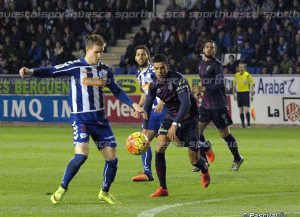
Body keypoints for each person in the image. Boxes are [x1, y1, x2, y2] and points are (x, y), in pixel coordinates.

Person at [19, 34, 143, 205]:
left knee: (112, 159)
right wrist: (31, 71)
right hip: (81, 119)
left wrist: (133, 105)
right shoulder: (75, 66)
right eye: (97, 52)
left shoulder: (105, 70)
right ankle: (62, 187)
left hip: (100, 120)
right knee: (82, 154)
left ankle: (104, 192)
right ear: (88, 50)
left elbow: (117, 90)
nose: (100, 55)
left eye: (102, 52)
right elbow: (52, 71)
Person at [141, 54, 214, 197]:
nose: (160, 71)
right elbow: (147, 107)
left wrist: (176, 124)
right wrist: (144, 127)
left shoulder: (178, 79)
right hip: (170, 117)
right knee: (160, 147)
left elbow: (186, 104)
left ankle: (204, 167)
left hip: (189, 118)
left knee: (194, 160)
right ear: (153, 69)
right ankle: (163, 188)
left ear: (167, 66)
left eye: (162, 67)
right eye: (156, 68)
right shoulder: (154, 85)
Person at [195, 40, 244, 171]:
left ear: (215, 51)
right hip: (205, 105)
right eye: (207, 47)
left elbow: (220, 84)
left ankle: (238, 158)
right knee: (196, 132)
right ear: (203, 49)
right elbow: (203, 82)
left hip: (218, 105)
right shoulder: (201, 64)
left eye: (212, 47)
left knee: (225, 134)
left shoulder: (217, 65)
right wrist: (199, 92)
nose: (210, 49)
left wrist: (203, 89)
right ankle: (203, 161)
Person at [132, 45, 166, 182]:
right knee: (143, 140)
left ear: (148, 56)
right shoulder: (139, 75)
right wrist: (138, 107)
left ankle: (203, 146)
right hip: (151, 112)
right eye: (138, 54)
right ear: (135, 57)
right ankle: (147, 173)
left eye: (143, 54)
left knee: (177, 141)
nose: (140, 57)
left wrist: (161, 102)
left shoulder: (154, 70)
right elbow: (144, 94)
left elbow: (165, 86)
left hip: (163, 110)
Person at [233, 62, 255, 128]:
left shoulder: (247, 75)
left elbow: (252, 83)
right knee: (240, 110)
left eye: (242, 67)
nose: (241, 68)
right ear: (238, 68)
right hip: (239, 93)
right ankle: (243, 125)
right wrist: (234, 94)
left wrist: (251, 93)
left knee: (246, 110)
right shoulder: (236, 75)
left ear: (244, 68)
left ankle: (248, 125)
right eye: (240, 67)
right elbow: (234, 85)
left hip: (245, 92)